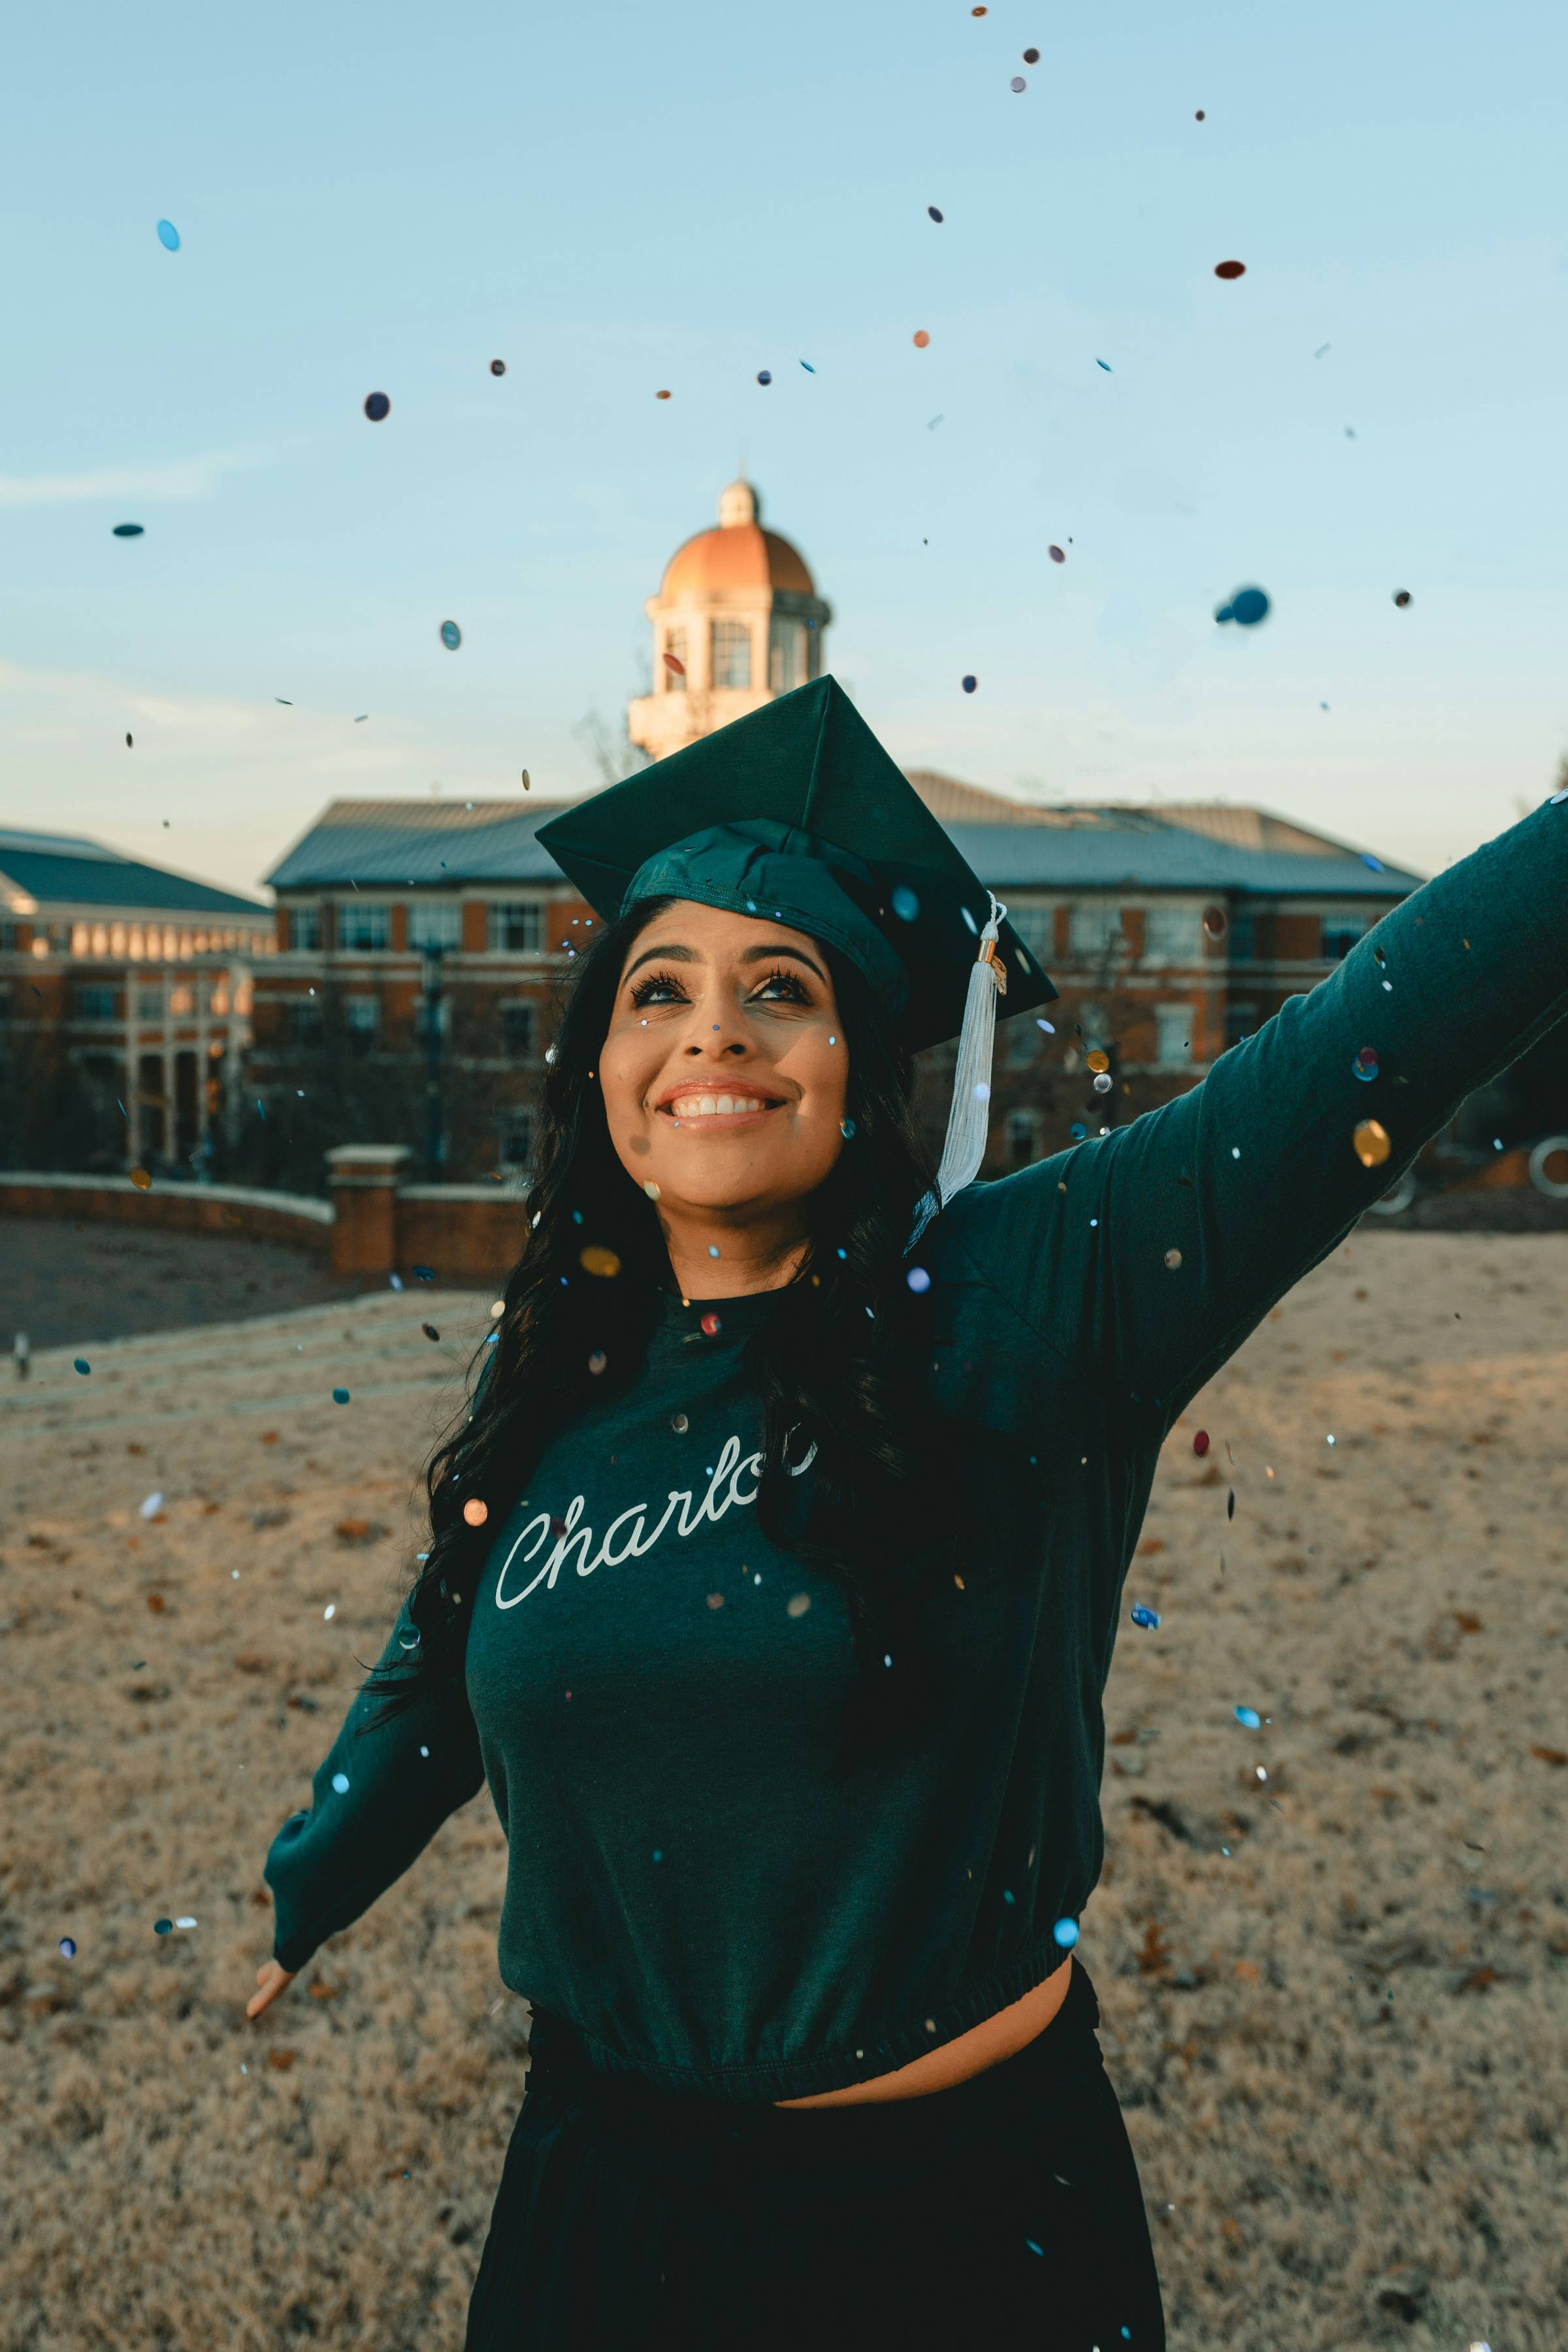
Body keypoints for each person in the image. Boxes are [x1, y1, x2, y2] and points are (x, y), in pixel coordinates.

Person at [247, 678, 1568, 2350]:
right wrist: (319, 1873)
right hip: (602, 2201)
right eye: (660, 990)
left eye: (778, 988)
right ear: (603, 1066)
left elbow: (1375, 1040)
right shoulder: (567, 1363)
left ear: (862, 1059)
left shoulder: (1040, 1296)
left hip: (959, 2226)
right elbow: (442, 1656)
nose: (713, 1031)